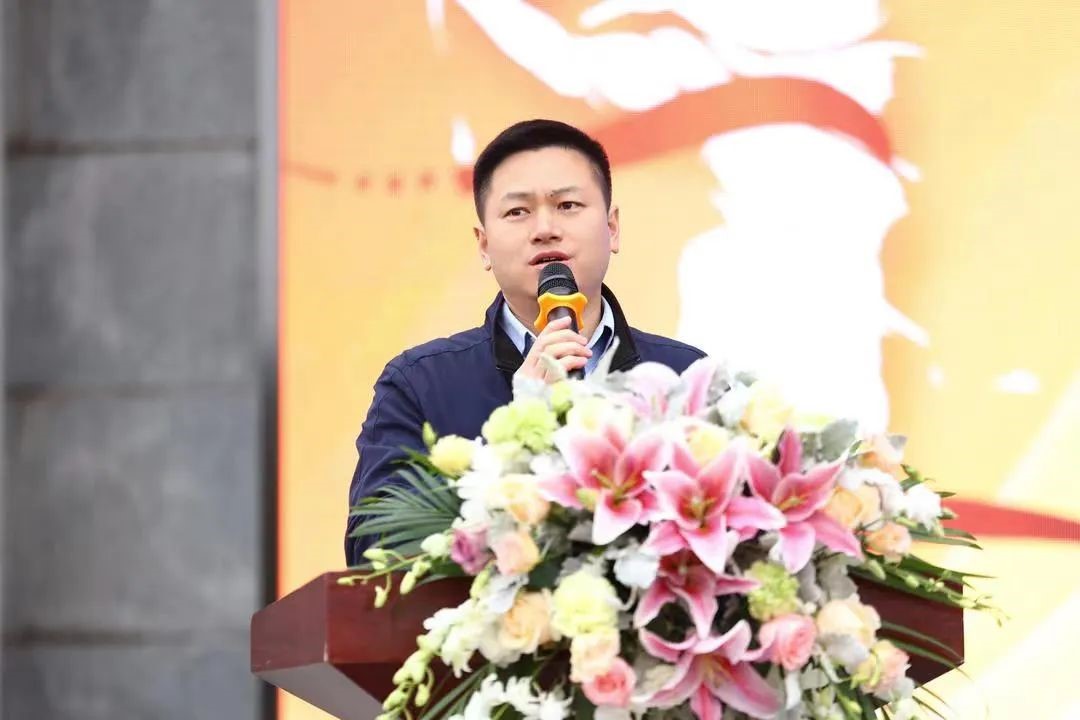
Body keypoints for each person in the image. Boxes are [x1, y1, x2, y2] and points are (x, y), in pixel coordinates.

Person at [345, 119, 705, 565]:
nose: (545, 228)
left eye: (568, 205)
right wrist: (515, 436)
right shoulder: (420, 385)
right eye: (518, 212)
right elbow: (375, 549)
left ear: (612, 228)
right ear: (483, 245)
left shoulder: (686, 378)